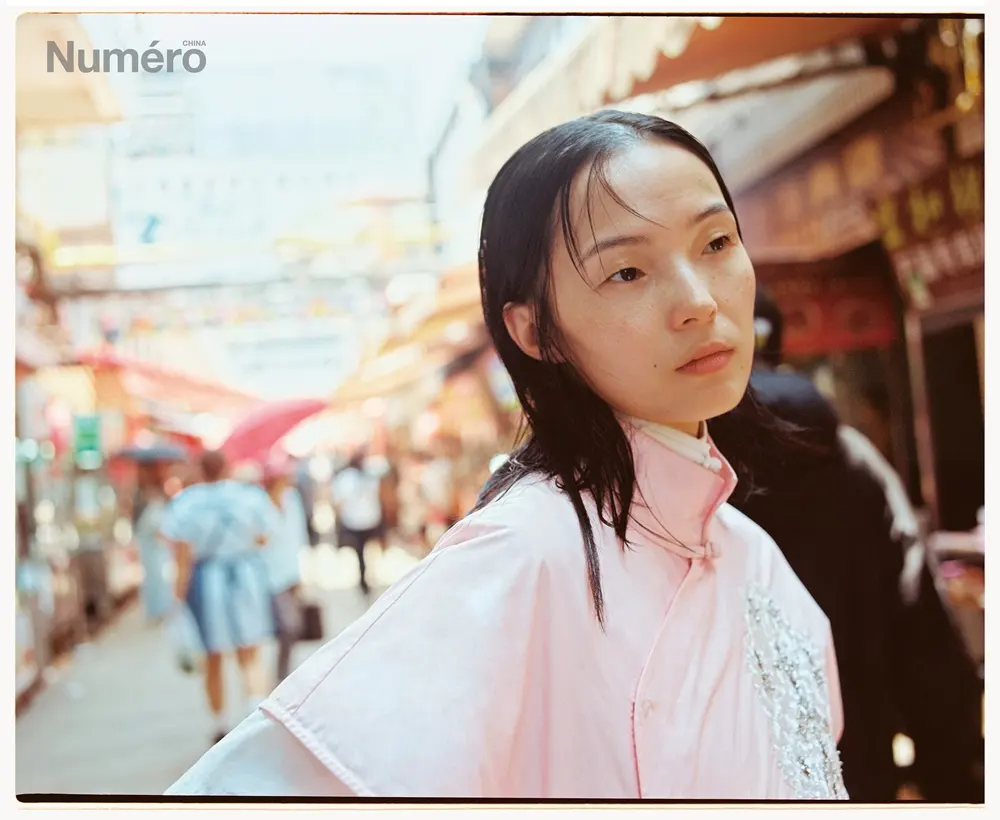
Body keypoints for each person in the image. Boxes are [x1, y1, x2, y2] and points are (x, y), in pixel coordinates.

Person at [166, 111, 846, 799]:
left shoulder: (751, 553)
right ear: (534, 329)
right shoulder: (524, 552)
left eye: (716, 242)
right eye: (629, 271)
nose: (699, 302)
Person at [710, 289, 984, 802]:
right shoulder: (855, 462)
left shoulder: (672, 472)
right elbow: (924, 630)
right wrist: (947, 774)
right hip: (856, 768)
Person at [160, 450, 278, 747]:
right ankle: (254, 711)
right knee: (249, 650)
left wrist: (176, 599)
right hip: (246, 576)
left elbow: (182, 557)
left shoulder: (186, 503)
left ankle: (220, 722)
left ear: (200, 470)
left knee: (213, 654)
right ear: (227, 467)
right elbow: (264, 537)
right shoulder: (249, 496)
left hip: (207, 581)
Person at [259, 452, 307, 684]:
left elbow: (299, 534)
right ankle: (280, 674)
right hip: (269, 574)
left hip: (290, 570)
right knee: (288, 625)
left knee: (292, 626)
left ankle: (283, 671)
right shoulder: (260, 504)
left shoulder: (292, 499)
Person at [330, 449, 384, 596]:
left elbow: (338, 502)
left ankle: (365, 580)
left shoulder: (346, 478)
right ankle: (368, 578)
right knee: (367, 550)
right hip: (369, 519)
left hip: (356, 521)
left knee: (360, 553)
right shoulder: (369, 475)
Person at [134, 462, 174, 625]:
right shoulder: (146, 501)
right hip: (152, 549)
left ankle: (160, 610)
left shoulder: (155, 505)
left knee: (157, 580)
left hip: (155, 549)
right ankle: (157, 610)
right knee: (155, 580)